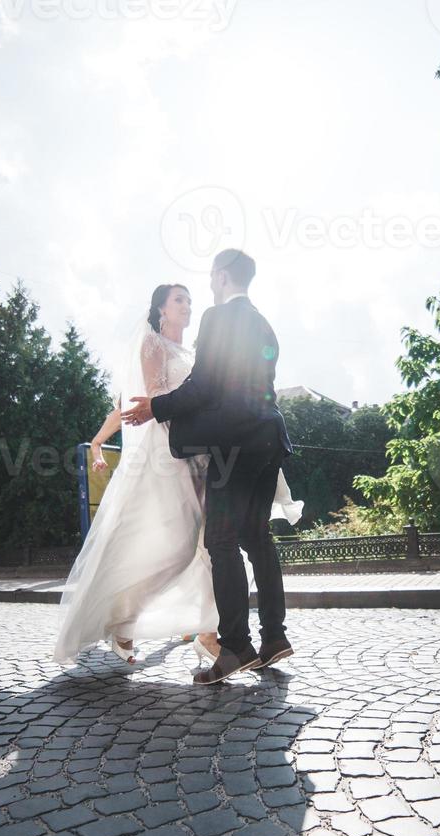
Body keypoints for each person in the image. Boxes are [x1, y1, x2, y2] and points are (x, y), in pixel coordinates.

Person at [122, 250, 295, 684]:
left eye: (211, 278)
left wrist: (156, 408)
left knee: (220, 541)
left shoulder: (219, 319)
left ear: (220, 276)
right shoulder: (263, 322)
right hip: (270, 437)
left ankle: (236, 647)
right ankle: (275, 637)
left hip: (234, 445)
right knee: (258, 537)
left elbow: (204, 386)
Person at [53, 284, 221, 666]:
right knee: (175, 547)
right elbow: (151, 400)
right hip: (166, 453)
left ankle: (209, 632)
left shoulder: (196, 354)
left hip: (204, 454)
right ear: (160, 308)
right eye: (179, 299)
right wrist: (97, 444)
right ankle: (123, 620)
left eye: (190, 300)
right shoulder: (153, 346)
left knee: (211, 544)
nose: (188, 306)